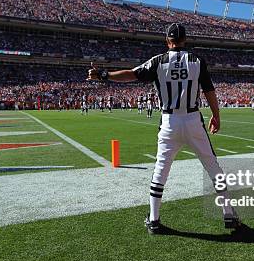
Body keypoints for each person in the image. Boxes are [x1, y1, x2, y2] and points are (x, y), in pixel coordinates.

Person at [87, 23, 240, 234]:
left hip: (169, 122)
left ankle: (154, 219)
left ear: (167, 41)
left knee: (161, 171)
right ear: (185, 40)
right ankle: (229, 214)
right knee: (213, 167)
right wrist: (216, 115)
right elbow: (209, 90)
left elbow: (132, 74)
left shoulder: (159, 61)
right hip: (194, 119)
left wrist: (106, 75)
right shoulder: (196, 60)